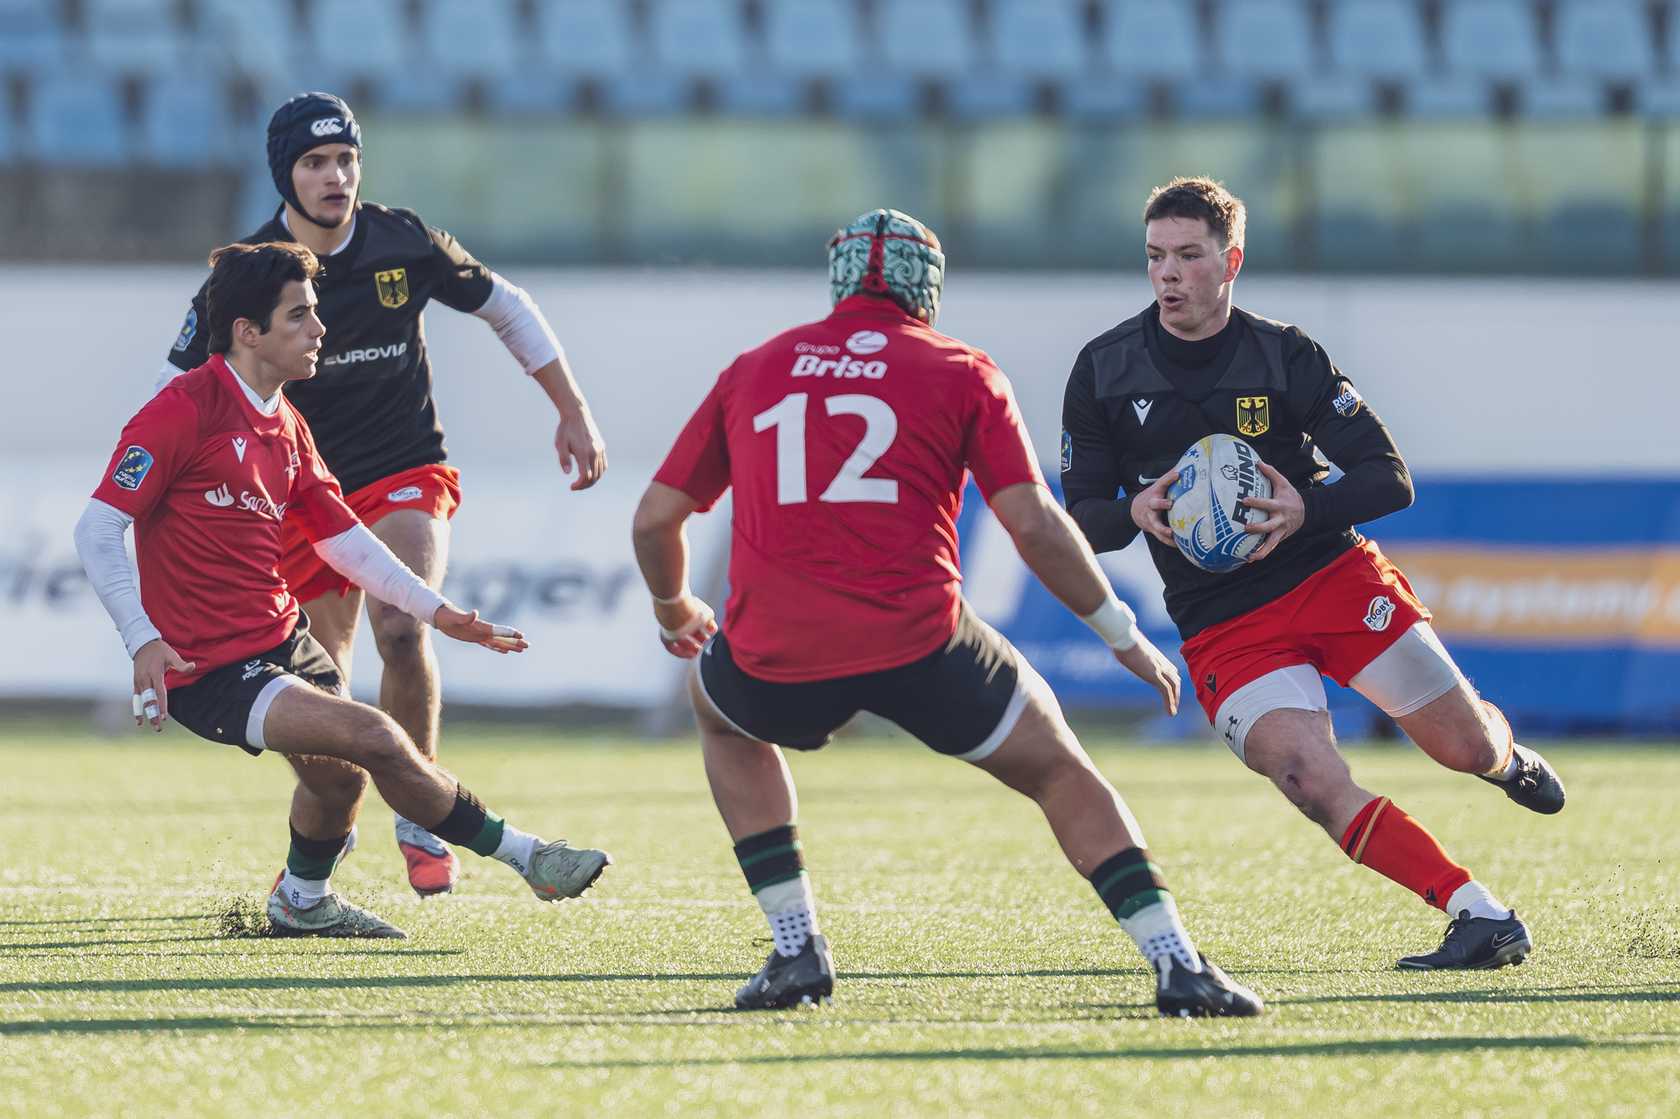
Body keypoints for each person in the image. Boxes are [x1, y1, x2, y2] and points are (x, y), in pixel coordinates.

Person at [631, 209, 1262, 1017]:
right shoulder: (961, 369)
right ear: (926, 286)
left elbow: (654, 519)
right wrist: (1122, 633)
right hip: (921, 640)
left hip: (777, 644)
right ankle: (1176, 961)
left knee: (720, 713)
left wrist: (675, 604)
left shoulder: (756, 368)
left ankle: (795, 948)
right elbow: (1031, 521)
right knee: (1061, 769)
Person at [1059, 177, 1565, 971]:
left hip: (1332, 577)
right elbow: (1079, 513)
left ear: (1232, 262)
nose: (1169, 274)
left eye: (1189, 256)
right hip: (1224, 620)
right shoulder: (1104, 369)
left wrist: (1305, 507)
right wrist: (1135, 511)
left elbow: (1387, 475)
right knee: (1306, 776)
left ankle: (1508, 759)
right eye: (1156, 256)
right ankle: (1477, 912)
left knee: (1463, 745)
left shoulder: (1284, 354)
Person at [79, 242, 610, 938]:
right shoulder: (182, 408)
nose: (319, 329)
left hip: (281, 637)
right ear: (248, 332)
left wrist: (438, 610)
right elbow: (97, 528)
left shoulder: (287, 424)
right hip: (207, 667)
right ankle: (530, 856)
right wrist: (142, 638)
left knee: (341, 780)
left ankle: (301, 899)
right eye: (299, 315)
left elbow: (346, 540)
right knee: (376, 736)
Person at [159, 91, 607, 897]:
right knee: (327, 703)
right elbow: (182, 391)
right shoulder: (250, 271)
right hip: (301, 496)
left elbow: (509, 306)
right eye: (315, 163)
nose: (336, 177)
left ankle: (421, 818)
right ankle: (311, 875)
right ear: (284, 175)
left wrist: (571, 410)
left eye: (347, 159)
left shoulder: (405, 240)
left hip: (402, 468)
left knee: (402, 626)